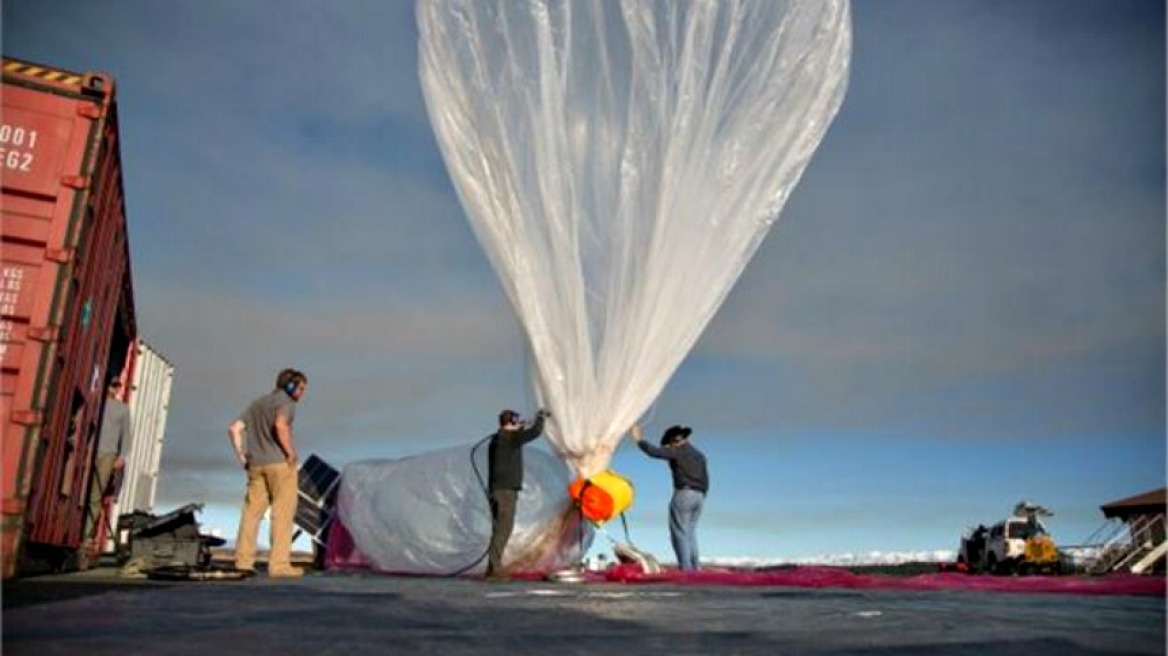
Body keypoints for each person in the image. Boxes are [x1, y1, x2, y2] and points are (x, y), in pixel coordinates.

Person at [228, 368, 308, 578]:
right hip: (280, 466)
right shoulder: (286, 404)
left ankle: (243, 563)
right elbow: (280, 425)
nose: (302, 393)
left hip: (255, 465)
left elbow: (234, 428)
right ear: (290, 386)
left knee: (251, 514)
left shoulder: (257, 404)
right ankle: (279, 565)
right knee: (282, 514)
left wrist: (242, 457)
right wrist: (290, 453)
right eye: (300, 388)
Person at [629, 423, 708, 571]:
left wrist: (638, 439)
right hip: (700, 496)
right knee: (690, 533)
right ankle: (695, 568)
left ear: (674, 441)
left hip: (684, 494)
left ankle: (686, 570)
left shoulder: (677, 451)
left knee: (679, 533)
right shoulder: (700, 455)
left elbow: (653, 452)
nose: (668, 447)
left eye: (669, 444)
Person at [484, 407, 549, 581]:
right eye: (516, 419)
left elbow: (518, 435)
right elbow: (535, 432)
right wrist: (541, 417)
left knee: (498, 529)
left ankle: (491, 570)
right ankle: (495, 570)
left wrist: (520, 427)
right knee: (504, 529)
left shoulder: (499, 439)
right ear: (511, 421)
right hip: (506, 490)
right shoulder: (510, 438)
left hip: (496, 490)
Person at [85, 377, 133, 543]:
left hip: (108, 454)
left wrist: (121, 456)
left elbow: (126, 435)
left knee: (95, 496)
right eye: (112, 385)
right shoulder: (95, 402)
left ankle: (86, 533)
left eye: (117, 385)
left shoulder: (123, 409)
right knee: (81, 492)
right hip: (88, 450)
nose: (115, 388)